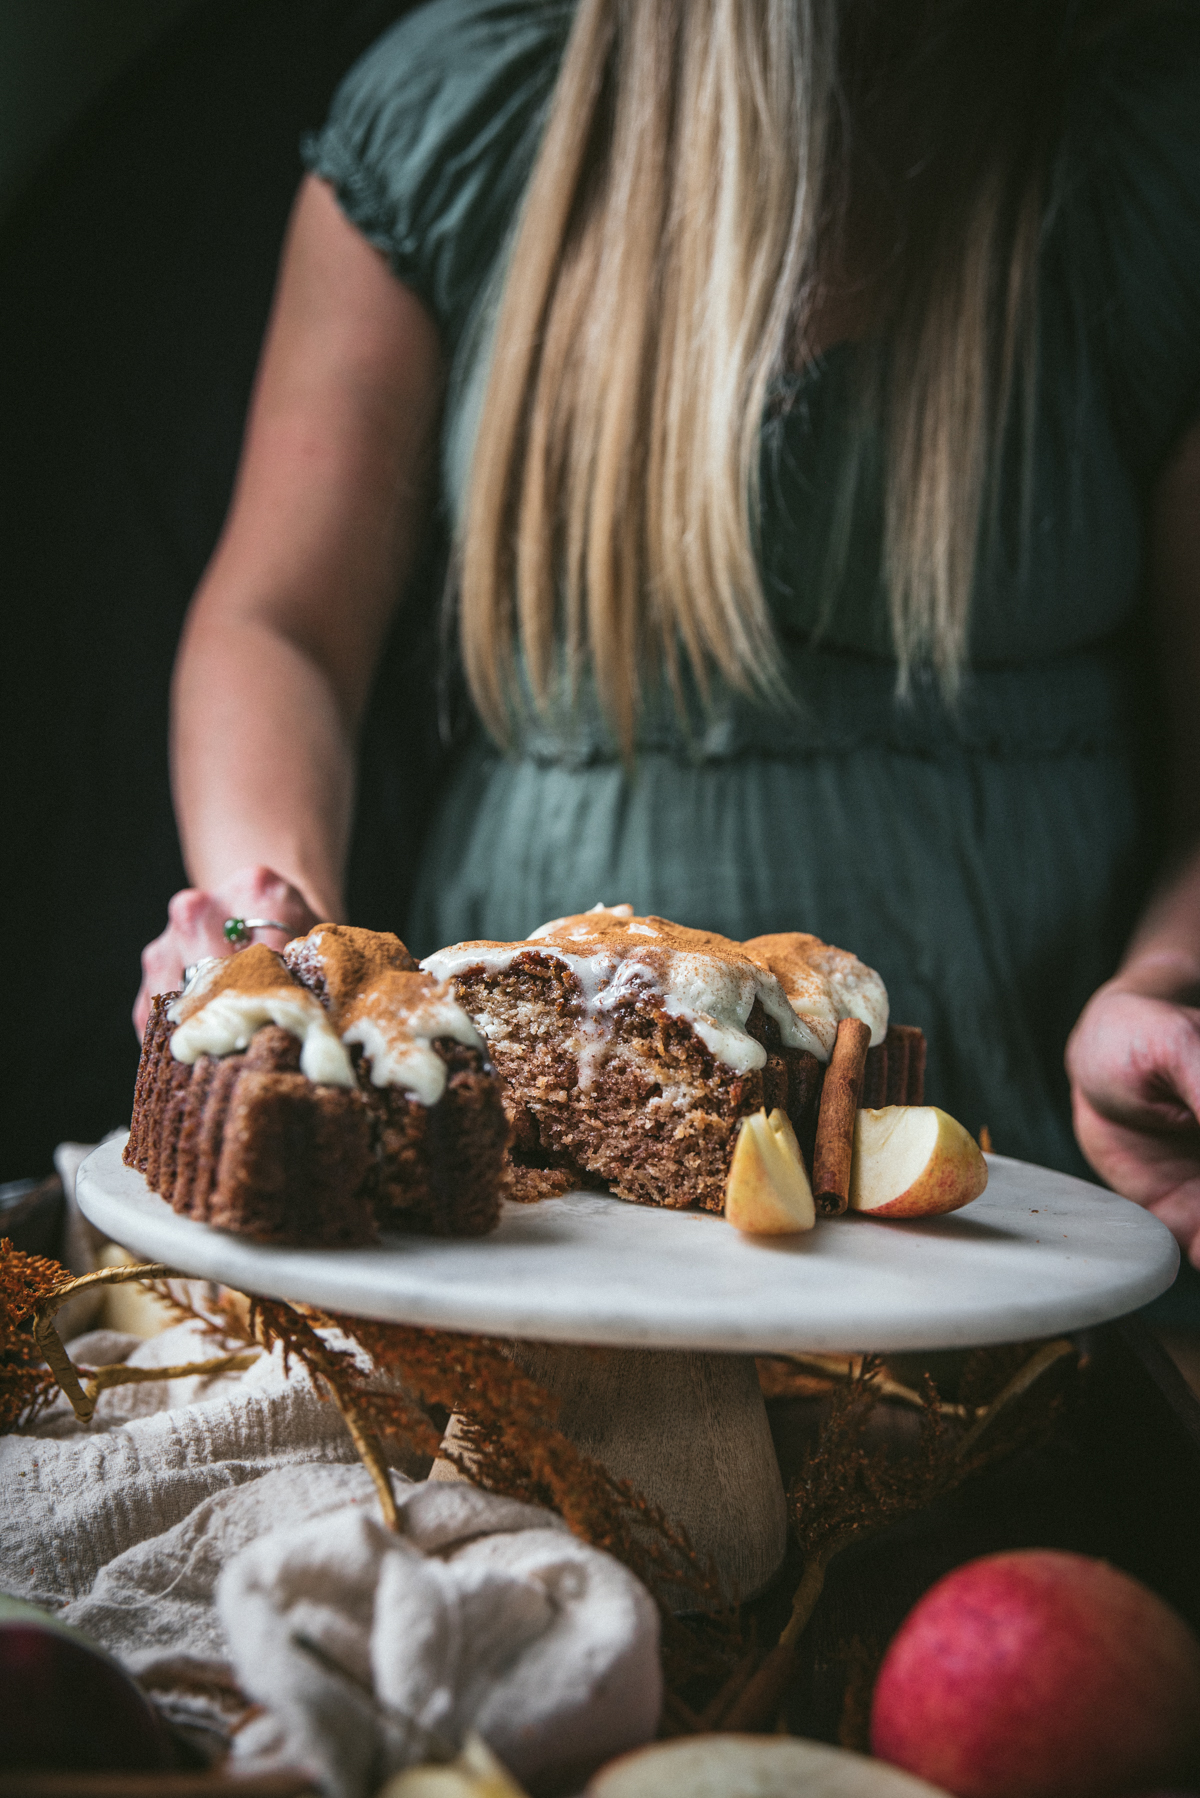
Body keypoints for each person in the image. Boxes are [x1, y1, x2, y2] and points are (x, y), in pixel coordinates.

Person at [135, 0, 1200, 1263]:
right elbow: (280, 623)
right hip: (533, 1199)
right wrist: (290, 954)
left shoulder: (1150, 144)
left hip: (1050, 1168)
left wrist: (1169, 984)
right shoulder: (470, 116)